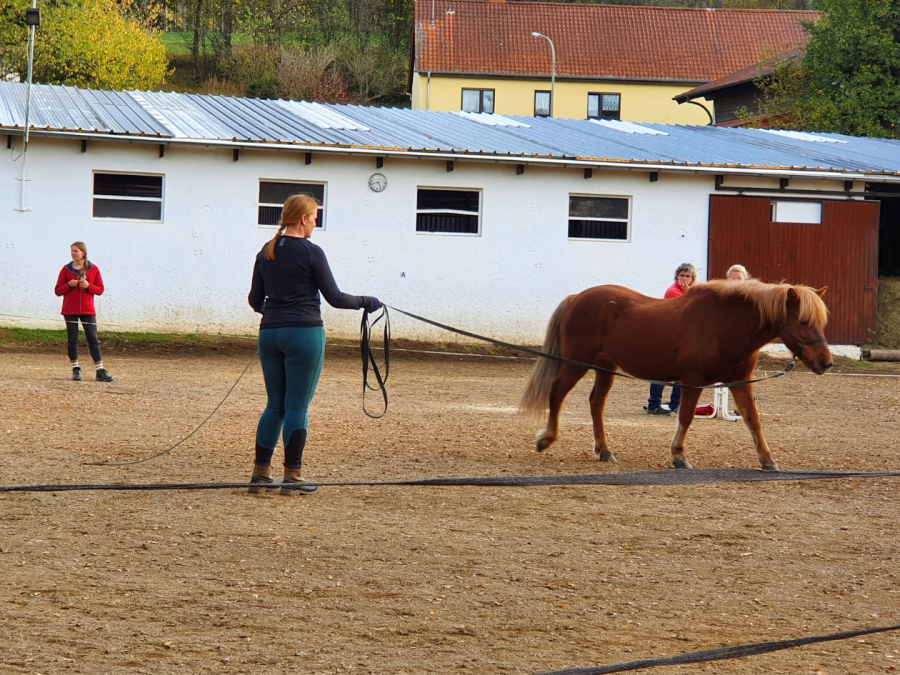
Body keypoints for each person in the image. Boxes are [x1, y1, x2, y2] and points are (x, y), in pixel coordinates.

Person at [247, 194, 381, 496]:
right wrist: (366, 301)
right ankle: (292, 476)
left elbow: (255, 300)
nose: (315, 224)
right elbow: (335, 297)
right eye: (314, 218)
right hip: (304, 334)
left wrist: (276, 313)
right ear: (303, 219)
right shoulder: (311, 252)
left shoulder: (265, 252)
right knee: (297, 406)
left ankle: (260, 474)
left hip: (269, 334)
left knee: (274, 405)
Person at [54, 242, 114, 382]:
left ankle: (100, 370)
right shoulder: (65, 270)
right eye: (72, 251)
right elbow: (57, 291)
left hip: (88, 310)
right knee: (73, 339)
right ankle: (75, 368)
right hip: (70, 310)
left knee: (93, 338)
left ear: (83, 253)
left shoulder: (93, 269)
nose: (73, 253)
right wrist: (69, 285)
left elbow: (100, 289)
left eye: (76, 251)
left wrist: (88, 286)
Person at [646, 262, 697, 415]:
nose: (684, 279)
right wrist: (689, 294)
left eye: (687, 276)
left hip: (681, 338)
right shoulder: (674, 292)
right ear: (677, 276)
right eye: (681, 275)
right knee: (662, 371)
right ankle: (654, 404)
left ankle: (676, 403)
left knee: (681, 373)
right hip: (668, 337)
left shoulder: (690, 291)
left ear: (692, 278)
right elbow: (687, 313)